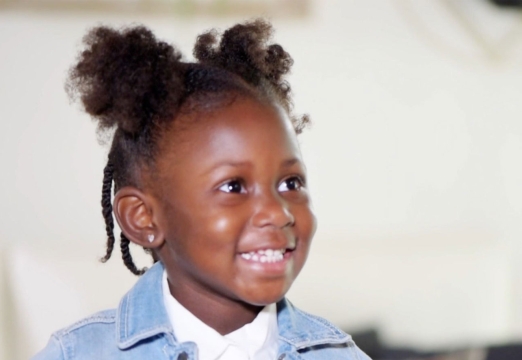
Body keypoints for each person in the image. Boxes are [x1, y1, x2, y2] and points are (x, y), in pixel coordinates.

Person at [33, 19, 370, 360]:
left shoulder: (340, 354)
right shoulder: (77, 354)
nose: (277, 212)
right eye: (234, 186)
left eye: (290, 183)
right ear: (143, 218)